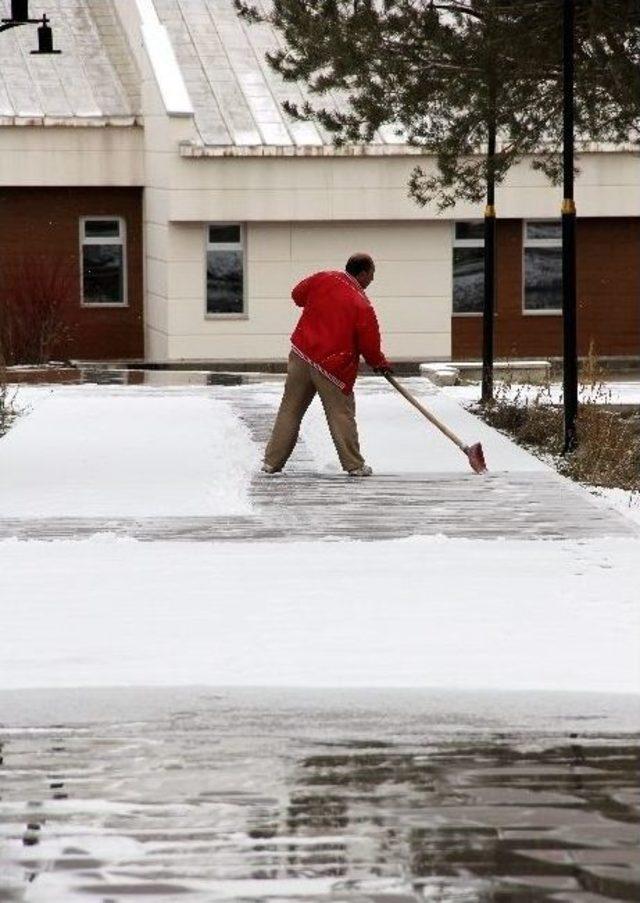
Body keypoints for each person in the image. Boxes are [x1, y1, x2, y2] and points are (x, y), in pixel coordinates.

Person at [262, 253, 392, 477]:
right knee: (340, 414)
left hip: (302, 355)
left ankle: (271, 462)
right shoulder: (361, 304)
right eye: (372, 274)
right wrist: (379, 363)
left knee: (290, 410)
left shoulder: (323, 278)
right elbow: (369, 343)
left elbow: (297, 296)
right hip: (333, 366)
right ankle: (354, 465)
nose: (372, 279)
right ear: (362, 273)